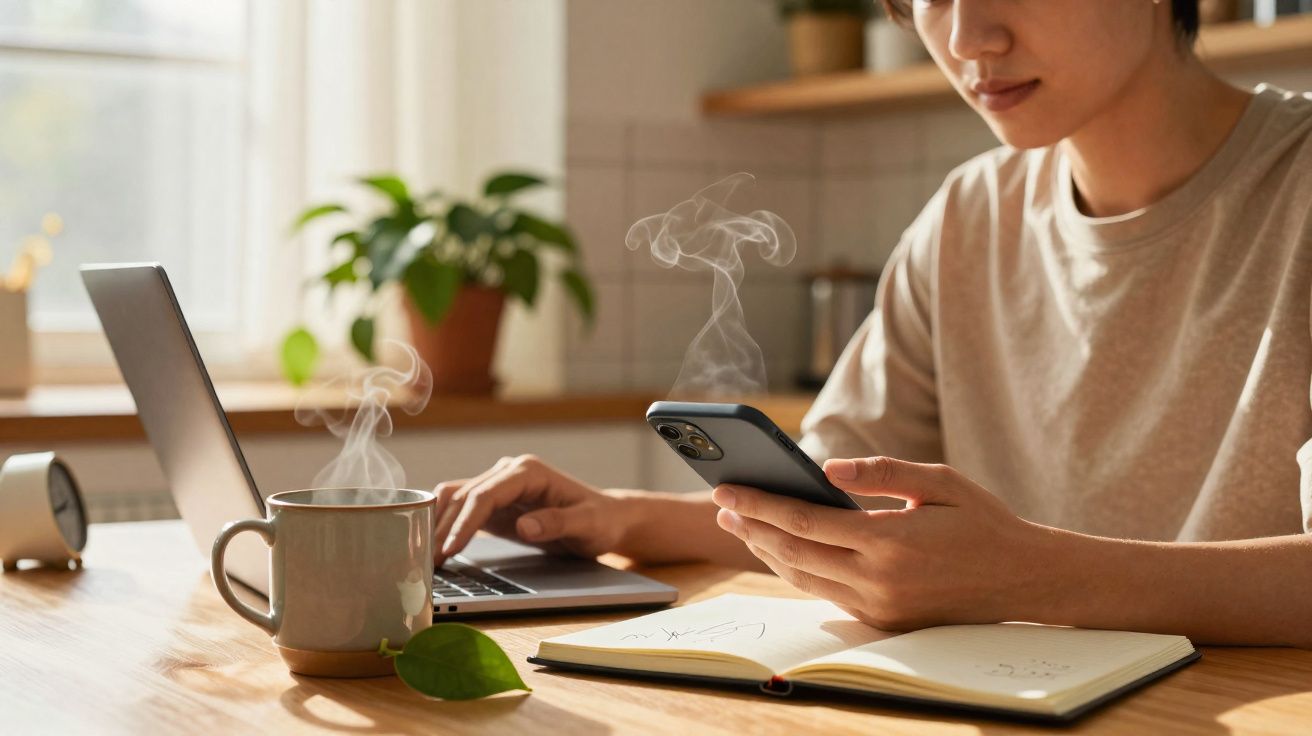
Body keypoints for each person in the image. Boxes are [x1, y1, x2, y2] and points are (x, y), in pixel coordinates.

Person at [433, 0, 1312, 647]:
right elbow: (847, 514)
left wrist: (1028, 576)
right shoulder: (970, 214)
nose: (967, 38)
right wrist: (619, 518)